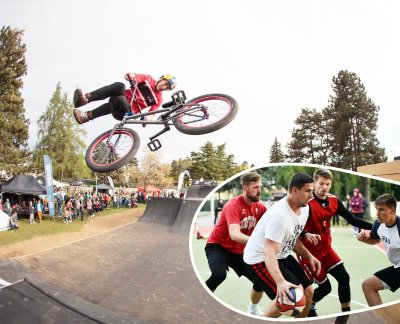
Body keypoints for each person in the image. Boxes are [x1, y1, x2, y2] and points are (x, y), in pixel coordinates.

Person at [243, 172, 320, 318]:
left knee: (309, 291)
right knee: (287, 297)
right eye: (308, 191)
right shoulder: (279, 216)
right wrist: (280, 282)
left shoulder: (304, 208)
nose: (312, 195)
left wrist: (308, 256)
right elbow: (269, 252)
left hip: (281, 255)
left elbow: (293, 237)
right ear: (295, 191)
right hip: (259, 259)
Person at [298, 169, 373, 316]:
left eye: (327, 184)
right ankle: (308, 305)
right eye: (321, 183)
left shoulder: (334, 200)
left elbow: (352, 219)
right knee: (325, 288)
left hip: (326, 249)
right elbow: (292, 226)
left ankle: (345, 314)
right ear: (314, 183)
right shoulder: (307, 204)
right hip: (309, 253)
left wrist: (377, 226)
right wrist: (306, 234)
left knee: (344, 277)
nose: (324, 187)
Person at [205, 171, 267, 316]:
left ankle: (252, 309)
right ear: (245, 188)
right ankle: (201, 300)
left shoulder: (261, 207)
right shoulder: (233, 205)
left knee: (262, 281)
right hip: (218, 247)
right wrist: (257, 243)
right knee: (219, 275)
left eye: (260, 187)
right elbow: (234, 234)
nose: (259, 191)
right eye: (255, 187)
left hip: (240, 252)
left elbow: (272, 225)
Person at [72, 73, 177, 124]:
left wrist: (146, 119)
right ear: (162, 78)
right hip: (118, 98)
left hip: (126, 112)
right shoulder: (148, 79)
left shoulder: (159, 99)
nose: (164, 87)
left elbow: (152, 114)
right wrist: (131, 78)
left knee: (121, 101)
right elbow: (129, 75)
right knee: (120, 86)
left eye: (167, 88)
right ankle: (85, 99)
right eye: (165, 83)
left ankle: (86, 116)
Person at [357, 194, 400, 306]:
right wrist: (365, 239)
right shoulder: (378, 224)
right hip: (397, 267)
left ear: (392, 210)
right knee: (368, 285)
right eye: (377, 209)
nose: (377, 214)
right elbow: (375, 240)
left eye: (381, 210)